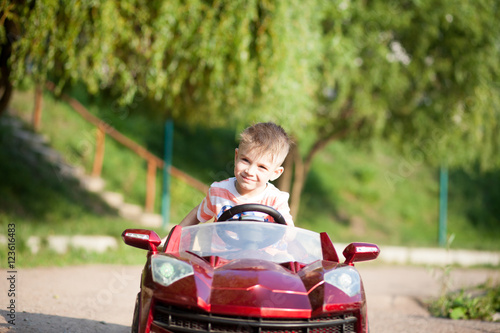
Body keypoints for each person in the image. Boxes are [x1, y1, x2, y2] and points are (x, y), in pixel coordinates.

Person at [180, 122, 294, 227]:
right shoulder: (219, 192)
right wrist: (172, 239)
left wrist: (288, 235)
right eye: (245, 160)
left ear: (275, 173)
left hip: (262, 249)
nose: (250, 171)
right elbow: (197, 213)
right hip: (221, 249)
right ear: (236, 156)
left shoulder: (276, 200)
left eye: (262, 167)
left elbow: (289, 233)